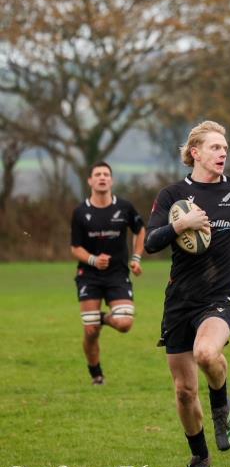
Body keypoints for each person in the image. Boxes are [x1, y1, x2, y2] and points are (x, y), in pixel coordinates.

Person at [144, 121, 230, 467]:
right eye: (215, 148)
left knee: (206, 353)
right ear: (195, 153)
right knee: (185, 391)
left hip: (220, 296)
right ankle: (199, 456)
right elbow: (150, 243)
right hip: (179, 301)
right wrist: (181, 224)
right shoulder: (173, 196)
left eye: (225, 148)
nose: (222, 153)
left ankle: (220, 401)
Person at [70, 161, 145, 386]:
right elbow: (75, 248)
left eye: (106, 174)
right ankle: (97, 375)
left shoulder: (124, 207)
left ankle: (98, 317)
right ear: (90, 181)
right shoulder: (80, 212)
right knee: (91, 331)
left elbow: (140, 230)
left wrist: (136, 258)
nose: (102, 177)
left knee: (124, 324)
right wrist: (93, 259)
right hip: (89, 275)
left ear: (111, 180)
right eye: (97, 174)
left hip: (117, 275)